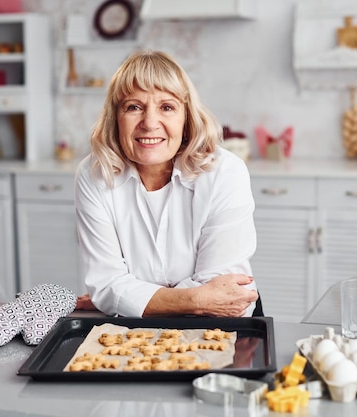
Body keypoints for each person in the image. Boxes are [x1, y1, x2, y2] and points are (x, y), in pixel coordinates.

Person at [74, 49, 259, 318]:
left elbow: (221, 293)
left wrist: (128, 296)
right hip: (134, 333)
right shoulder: (94, 175)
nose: (150, 123)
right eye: (134, 107)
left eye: (167, 107)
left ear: (186, 119)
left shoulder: (224, 172)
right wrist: (195, 298)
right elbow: (107, 285)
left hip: (225, 326)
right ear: (116, 118)